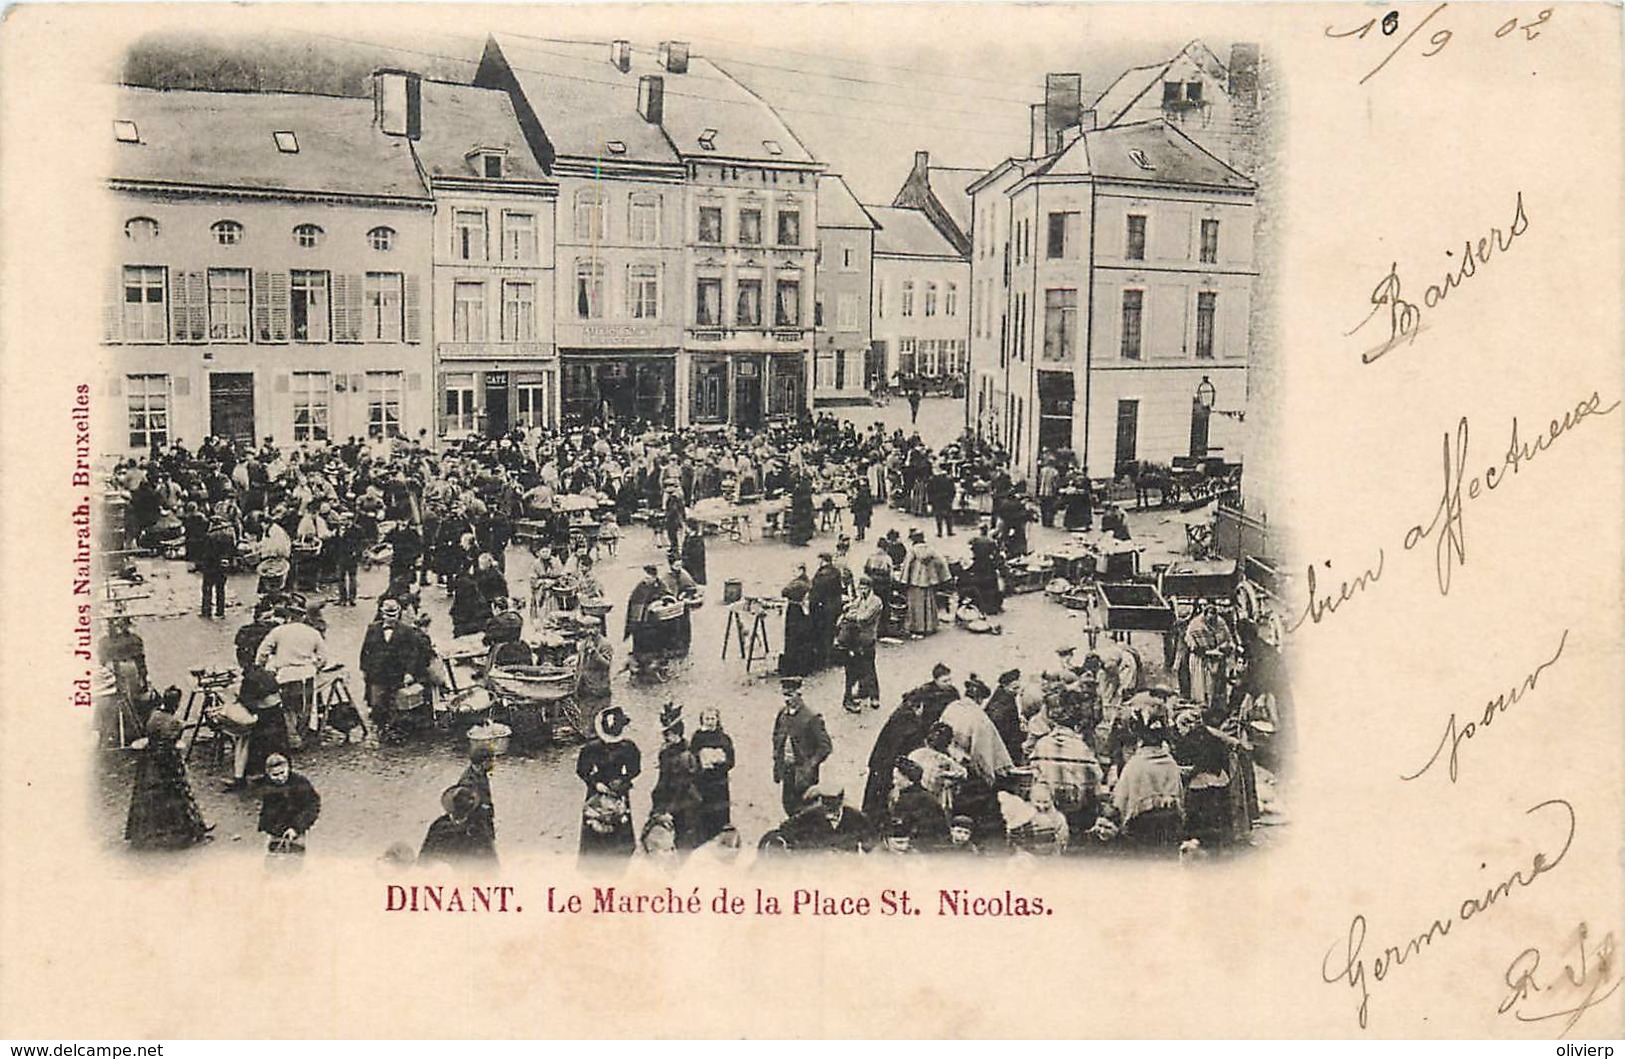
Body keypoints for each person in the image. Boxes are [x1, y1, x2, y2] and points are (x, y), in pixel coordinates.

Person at [124, 710, 212, 851]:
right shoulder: (172, 722)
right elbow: (172, 741)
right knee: (176, 795)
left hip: (151, 761)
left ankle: (150, 834)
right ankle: (181, 833)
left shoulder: (155, 715)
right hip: (165, 760)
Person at [358, 597, 434, 738]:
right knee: (377, 703)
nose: (391, 618)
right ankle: (381, 728)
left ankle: (394, 729)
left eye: (394, 615)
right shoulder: (373, 629)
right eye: (388, 615)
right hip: (377, 673)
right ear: (382, 614)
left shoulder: (407, 631)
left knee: (397, 703)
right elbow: (366, 650)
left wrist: (409, 673)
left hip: (397, 673)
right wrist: (364, 669)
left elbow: (413, 654)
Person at [254, 606, 327, 750]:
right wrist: (317, 667)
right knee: (305, 707)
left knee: (287, 707)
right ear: (303, 617)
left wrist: (261, 667)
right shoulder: (312, 632)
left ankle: (292, 737)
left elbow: (262, 652)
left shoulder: (278, 631)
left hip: (285, 674)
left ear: (288, 617)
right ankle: (301, 736)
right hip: (306, 674)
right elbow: (323, 657)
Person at [576, 705, 641, 858]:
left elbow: (635, 769)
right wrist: (595, 783)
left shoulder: (628, 747)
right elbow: (582, 770)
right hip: (597, 790)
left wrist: (623, 781)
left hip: (618, 790)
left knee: (619, 822)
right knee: (595, 824)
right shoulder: (591, 748)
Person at [1111, 717, 1185, 849]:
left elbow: (1120, 801)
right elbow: (1179, 797)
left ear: (1141, 739)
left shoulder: (1135, 765)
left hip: (1140, 828)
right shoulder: (1171, 764)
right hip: (1167, 828)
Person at [860, 694, 928, 821]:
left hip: (879, 763)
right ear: (919, 707)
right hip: (893, 768)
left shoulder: (897, 717)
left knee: (874, 795)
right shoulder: (913, 726)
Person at [771, 677, 832, 816]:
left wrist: (811, 764)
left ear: (799, 693)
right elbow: (776, 736)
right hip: (787, 770)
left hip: (804, 774)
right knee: (788, 804)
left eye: (790, 694)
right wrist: (777, 758)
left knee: (806, 808)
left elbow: (825, 746)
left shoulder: (811, 717)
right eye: (784, 694)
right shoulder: (782, 714)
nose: (787, 699)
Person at [226, 667, 290, 792]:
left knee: (245, 741)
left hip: (263, 715)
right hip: (276, 713)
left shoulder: (249, 680)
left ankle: (240, 778)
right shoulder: (265, 675)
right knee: (278, 745)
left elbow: (246, 702)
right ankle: (278, 774)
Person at [650, 703, 704, 851]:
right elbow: (662, 780)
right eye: (665, 735)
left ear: (678, 734)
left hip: (684, 803)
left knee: (684, 842)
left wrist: (669, 810)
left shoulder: (687, 755)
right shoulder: (665, 752)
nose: (666, 738)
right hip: (667, 799)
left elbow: (684, 785)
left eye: (669, 734)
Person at [689, 707, 736, 845]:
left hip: (719, 783)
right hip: (702, 783)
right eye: (707, 719)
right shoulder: (697, 737)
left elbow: (731, 761)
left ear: (717, 720)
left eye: (713, 718)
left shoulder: (724, 738)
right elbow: (691, 759)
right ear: (702, 720)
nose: (710, 722)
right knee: (703, 815)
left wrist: (719, 762)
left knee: (720, 814)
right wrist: (701, 760)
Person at [837, 576, 884, 712]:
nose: (862, 590)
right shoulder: (861, 599)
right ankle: (863, 691)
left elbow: (864, 617)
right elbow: (850, 607)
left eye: (864, 588)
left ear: (870, 588)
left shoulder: (875, 601)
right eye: (860, 588)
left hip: (867, 638)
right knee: (857, 665)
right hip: (856, 637)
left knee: (869, 667)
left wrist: (849, 615)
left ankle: (874, 696)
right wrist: (851, 610)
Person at [257, 753, 321, 853]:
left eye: (282, 773)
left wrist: (296, 827)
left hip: (297, 826)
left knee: (296, 856)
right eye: (275, 775)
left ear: (288, 768)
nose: (280, 777)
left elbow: (312, 806)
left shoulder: (300, 783)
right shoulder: (267, 785)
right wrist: (268, 826)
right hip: (276, 829)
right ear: (268, 774)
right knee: (273, 857)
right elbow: (268, 808)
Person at [782, 783, 873, 853]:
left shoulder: (856, 817)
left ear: (841, 800)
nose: (828, 807)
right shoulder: (810, 816)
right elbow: (785, 830)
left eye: (832, 802)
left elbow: (872, 844)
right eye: (825, 802)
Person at [419, 785, 498, 865]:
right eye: (459, 803)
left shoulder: (476, 826)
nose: (461, 810)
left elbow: (489, 854)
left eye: (465, 806)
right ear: (453, 804)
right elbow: (426, 853)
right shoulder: (439, 825)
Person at [889, 757, 949, 851]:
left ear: (909, 780)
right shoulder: (926, 797)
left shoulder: (915, 800)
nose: (894, 782)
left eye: (896, 778)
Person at [901, 529, 950, 638]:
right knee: (928, 604)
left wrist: (904, 580)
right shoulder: (931, 550)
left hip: (915, 581)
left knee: (916, 605)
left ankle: (917, 627)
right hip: (928, 581)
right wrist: (940, 577)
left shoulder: (912, 551)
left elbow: (907, 566)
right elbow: (941, 562)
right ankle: (929, 626)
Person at [807, 551, 844, 671]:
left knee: (821, 633)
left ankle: (822, 660)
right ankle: (828, 657)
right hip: (835, 606)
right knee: (830, 632)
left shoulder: (821, 575)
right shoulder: (836, 572)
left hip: (823, 608)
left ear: (822, 560)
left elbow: (816, 593)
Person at [778, 563, 814, 678]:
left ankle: (792, 668)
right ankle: (802, 667)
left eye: (795, 570)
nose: (792, 573)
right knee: (802, 640)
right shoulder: (808, 581)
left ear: (801, 571)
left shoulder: (798, 583)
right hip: (804, 613)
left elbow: (784, 592)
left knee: (792, 638)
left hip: (795, 611)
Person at [984, 669, 1026, 765]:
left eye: (1018, 688)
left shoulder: (1003, 697)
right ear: (1005, 686)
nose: (1017, 692)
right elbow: (1006, 729)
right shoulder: (1003, 704)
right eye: (1014, 688)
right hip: (1004, 744)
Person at [197, 516, 235, 619]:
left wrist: (201, 565)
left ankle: (206, 611)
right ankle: (220, 611)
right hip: (222, 567)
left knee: (207, 589)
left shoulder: (209, 536)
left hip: (210, 566)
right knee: (220, 589)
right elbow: (232, 551)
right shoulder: (228, 536)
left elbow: (206, 553)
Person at [459, 744, 497, 844]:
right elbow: (469, 808)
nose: (492, 763)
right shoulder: (468, 782)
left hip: (484, 821)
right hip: (476, 825)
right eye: (491, 760)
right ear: (483, 762)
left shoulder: (480, 773)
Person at [927, 466, 957, 537]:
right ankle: (949, 531)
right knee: (948, 516)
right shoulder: (949, 479)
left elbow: (929, 491)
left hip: (937, 499)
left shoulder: (932, 480)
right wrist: (951, 499)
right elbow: (953, 491)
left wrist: (930, 501)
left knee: (938, 516)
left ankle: (939, 532)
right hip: (946, 499)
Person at [680, 520, 708, 587]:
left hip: (694, 565)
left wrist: (686, 558)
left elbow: (697, 554)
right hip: (689, 564)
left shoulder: (696, 539)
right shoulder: (689, 537)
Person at [851, 477, 874, 541]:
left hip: (860, 508)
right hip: (864, 508)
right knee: (862, 522)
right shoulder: (867, 490)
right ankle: (861, 534)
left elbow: (857, 499)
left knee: (859, 522)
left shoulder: (861, 491)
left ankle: (860, 534)